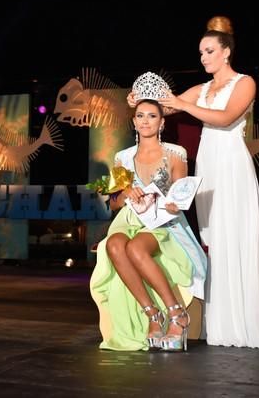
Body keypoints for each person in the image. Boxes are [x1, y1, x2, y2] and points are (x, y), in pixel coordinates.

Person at [129, 16, 259, 349]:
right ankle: (218, 323)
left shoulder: (245, 82)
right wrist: (139, 101)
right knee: (214, 240)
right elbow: (166, 104)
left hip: (233, 164)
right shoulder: (203, 89)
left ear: (225, 52)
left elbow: (225, 118)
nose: (203, 57)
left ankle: (244, 322)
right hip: (208, 163)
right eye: (201, 52)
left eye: (209, 51)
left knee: (236, 236)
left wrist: (181, 103)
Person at [90, 72, 207, 351]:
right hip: (129, 218)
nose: (145, 121)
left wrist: (170, 202)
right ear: (134, 121)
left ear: (162, 122)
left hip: (162, 222)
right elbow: (114, 203)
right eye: (140, 116)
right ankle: (152, 315)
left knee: (136, 248)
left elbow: (181, 195)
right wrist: (126, 194)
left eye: (152, 116)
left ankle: (177, 314)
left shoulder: (176, 154)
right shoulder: (122, 157)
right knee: (115, 244)